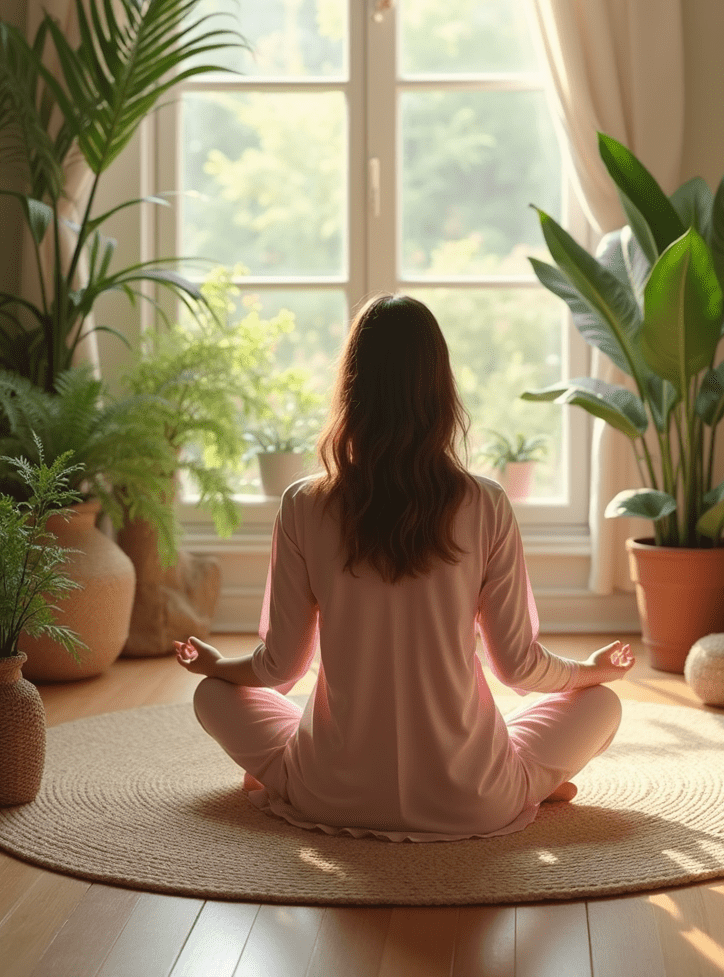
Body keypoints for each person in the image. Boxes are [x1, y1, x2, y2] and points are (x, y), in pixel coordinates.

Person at [175, 293, 634, 842]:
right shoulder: (485, 504)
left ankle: (278, 780)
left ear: (352, 390)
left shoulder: (303, 504)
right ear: (441, 393)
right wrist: (591, 673)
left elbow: (278, 670)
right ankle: (532, 782)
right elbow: (517, 669)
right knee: (601, 706)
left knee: (210, 697)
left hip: (330, 792)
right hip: (472, 801)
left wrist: (216, 666)